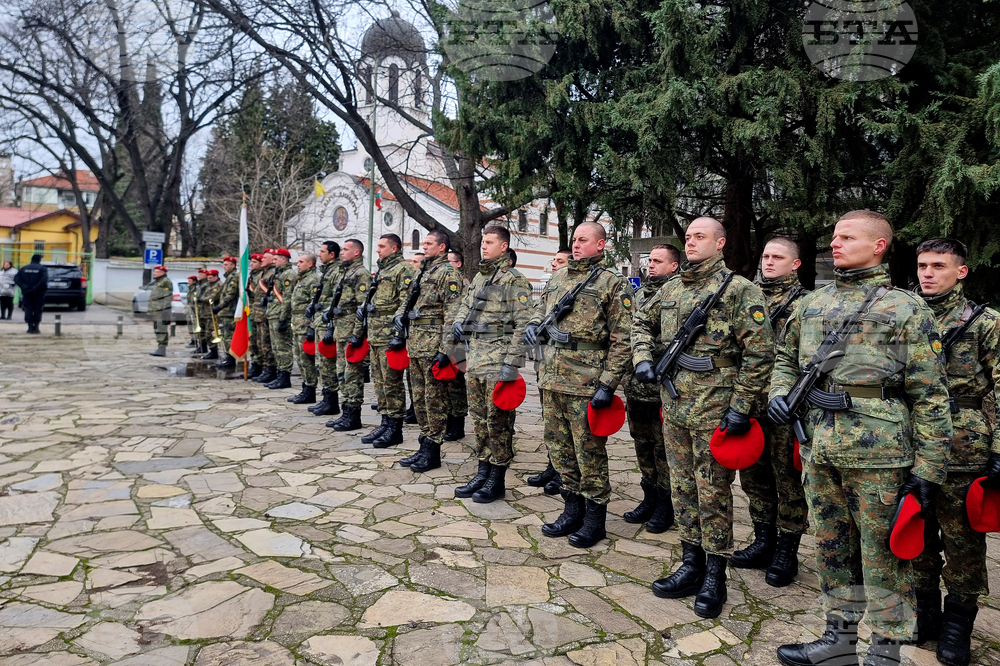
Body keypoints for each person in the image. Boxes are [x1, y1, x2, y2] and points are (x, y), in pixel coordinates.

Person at [768, 211, 952, 666]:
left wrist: (929, 470)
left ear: (878, 246)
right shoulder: (810, 304)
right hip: (819, 446)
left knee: (882, 557)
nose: (835, 244)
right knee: (831, 547)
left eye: (846, 237)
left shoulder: (905, 309)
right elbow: (785, 358)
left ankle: (886, 651)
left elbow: (930, 394)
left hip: (880, 454)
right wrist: (777, 392)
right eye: (833, 237)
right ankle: (840, 638)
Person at [631, 217, 774, 619]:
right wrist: (643, 356)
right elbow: (640, 321)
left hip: (717, 407)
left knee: (712, 492)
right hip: (675, 406)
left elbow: (760, 354)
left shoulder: (741, 290)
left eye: (700, 237)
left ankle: (715, 574)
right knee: (681, 488)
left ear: (721, 243)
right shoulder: (673, 287)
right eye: (688, 237)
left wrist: (741, 407)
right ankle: (690, 562)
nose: (691, 242)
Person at [911, 238, 999, 666]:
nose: (927, 273)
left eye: (938, 266)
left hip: (964, 449)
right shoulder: (903, 315)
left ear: (961, 271)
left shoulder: (985, 323)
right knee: (916, 535)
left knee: (962, 543)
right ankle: (924, 612)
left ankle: (958, 624)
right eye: (922, 265)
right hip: (909, 445)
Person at [525, 222, 633, 548]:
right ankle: (571, 510)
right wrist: (532, 327)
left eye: (583, 240)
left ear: (601, 245)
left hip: (586, 381)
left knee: (589, 454)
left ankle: (594, 520)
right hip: (552, 377)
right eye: (574, 240)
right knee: (559, 450)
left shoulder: (613, 284)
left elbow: (624, 338)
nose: (576, 245)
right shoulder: (558, 278)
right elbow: (537, 310)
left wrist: (609, 383)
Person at [732, 237, 810, 587]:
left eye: (777, 257)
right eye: (764, 255)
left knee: (787, 482)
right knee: (753, 478)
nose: (768, 262)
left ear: (795, 264)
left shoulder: (806, 303)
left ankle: (785, 552)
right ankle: (763, 541)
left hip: (785, 409)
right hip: (748, 403)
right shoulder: (744, 296)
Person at [451, 226, 532, 503]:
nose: (483, 246)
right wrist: (458, 322)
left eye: (489, 242)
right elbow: (465, 304)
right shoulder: (479, 277)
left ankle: (497, 478)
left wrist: (513, 363)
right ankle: (482, 469)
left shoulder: (514, 280)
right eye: (482, 241)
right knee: (478, 419)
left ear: (504, 246)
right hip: (474, 358)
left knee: (497, 421)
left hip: (498, 360)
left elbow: (523, 324)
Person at [394, 230, 464, 472]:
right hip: (415, 343)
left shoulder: (448, 273)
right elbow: (408, 299)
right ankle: (424, 444)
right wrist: (399, 315)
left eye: (429, 243)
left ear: (442, 247)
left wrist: (445, 350)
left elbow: (452, 314)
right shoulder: (424, 270)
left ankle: (433, 450)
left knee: (434, 401)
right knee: (420, 399)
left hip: (433, 345)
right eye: (424, 243)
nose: (424, 247)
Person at [622, 244, 679, 532]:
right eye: (649, 261)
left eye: (658, 261)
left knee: (662, 450)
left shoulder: (675, 295)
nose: (651, 265)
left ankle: (664, 504)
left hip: (662, 390)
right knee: (642, 445)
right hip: (635, 387)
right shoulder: (637, 295)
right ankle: (648, 496)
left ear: (674, 266)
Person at [360, 234, 416, 448]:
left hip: (389, 337)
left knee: (392, 384)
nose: (378, 250)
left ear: (394, 248)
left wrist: (399, 336)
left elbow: (405, 304)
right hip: (375, 335)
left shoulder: (404, 270)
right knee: (380, 383)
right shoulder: (383, 270)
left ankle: (395, 428)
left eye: (382, 246)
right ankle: (385, 423)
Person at [525, 247, 574, 492]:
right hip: (546, 364)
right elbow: (539, 311)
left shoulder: (574, 289)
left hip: (569, 370)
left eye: (560, 261)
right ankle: (552, 465)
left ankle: (562, 472)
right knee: (550, 421)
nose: (554, 264)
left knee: (566, 426)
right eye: (554, 260)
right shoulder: (552, 287)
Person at [325, 239, 371, 430]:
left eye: (346, 249)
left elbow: (362, 307)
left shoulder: (361, 274)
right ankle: (346, 412)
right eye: (342, 249)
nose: (341, 252)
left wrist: (358, 333)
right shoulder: (345, 272)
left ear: (357, 252)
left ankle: (353, 415)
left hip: (351, 329)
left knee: (352, 374)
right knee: (342, 373)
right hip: (341, 329)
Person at [309, 241, 342, 416]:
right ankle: (326, 399)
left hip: (328, 322)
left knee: (328, 364)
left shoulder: (336, 271)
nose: (319, 254)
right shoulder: (326, 270)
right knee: (321, 363)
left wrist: (326, 314)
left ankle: (332, 402)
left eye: (322, 251)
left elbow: (337, 298)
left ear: (331, 254)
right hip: (320, 321)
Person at [444, 248, 471, 441]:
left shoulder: (463, 283)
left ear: (458, 264)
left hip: (459, 341)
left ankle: (458, 422)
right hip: (445, 336)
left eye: (450, 262)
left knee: (456, 382)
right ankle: (449, 419)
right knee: (445, 382)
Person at [288, 253, 320, 404]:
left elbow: (315, 305)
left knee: (307, 360)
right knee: (300, 359)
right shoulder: (302, 279)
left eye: (301, 262)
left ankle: (310, 390)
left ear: (311, 264)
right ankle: (305, 388)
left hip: (305, 324)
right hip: (297, 323)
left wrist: (312, 327)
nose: (298, 264)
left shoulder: (313, 280)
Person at [264, 248, 297, 389]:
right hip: (273, 314)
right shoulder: (279, 274)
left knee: (283, 348)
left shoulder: (288, 274)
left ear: (284, 259)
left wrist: (283, 318)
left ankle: (285, 377)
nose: (273, 261)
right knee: (276, 347)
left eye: (276, 259)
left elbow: (287, 298)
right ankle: (280, 374)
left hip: (280, 316)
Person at [253, 250, 278, 384]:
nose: (261, 259)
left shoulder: (272, 273)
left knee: (267, 343)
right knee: (260, 343)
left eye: (264, 258)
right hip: (258, 313)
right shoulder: (263, 273)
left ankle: (270, 369)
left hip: (267, 313)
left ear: (272, 259)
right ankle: (265, 368)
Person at [214, 257, 241, 369]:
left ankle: (231, 359)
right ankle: (228, 357)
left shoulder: (233, 277)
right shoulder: (229, 277)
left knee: (229, 336)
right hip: (226, 312)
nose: (224, 267)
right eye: (224, 264)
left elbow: (230, 294)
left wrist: (219, 307)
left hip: (230, 312)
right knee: (225, 336)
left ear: (232, 265)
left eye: (226, 264)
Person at [14, 254, 47, 334]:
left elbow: (16, 279)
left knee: (28, 309)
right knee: (37, 309)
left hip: (27, 292)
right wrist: (35, 288)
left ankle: (29, 327)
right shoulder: (42, 269)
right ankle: (36, 327)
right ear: (39, 260)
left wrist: (24, 286)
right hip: (38, 293)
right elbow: (44, 280)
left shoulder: (24, 268)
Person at [245, 255, 264, 378]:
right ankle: (255, 364)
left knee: (259, 342)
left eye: (254, 262)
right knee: (252, 341)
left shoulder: (261, 276)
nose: (251, 264)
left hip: (259, 312)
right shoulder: (252, 276)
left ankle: (259, 365)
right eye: (251, 262)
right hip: (251, 311)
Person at [148, 265, 173, 356]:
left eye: (157, 271)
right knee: (157, 328)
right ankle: (160, 347)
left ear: (162, 273)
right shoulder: (158, 282)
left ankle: (162, 349)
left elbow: (167, 297)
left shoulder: (165, 282)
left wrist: (165, 311)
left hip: (161, 310)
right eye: (154, 271)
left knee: (161, 329)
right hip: (156, 310)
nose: (154, 273)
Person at [199, 269, 224, 360]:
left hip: (213, 313)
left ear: (216, 277)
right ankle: (211, 350)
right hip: (206, 312)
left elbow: (214, 297)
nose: (209, 279)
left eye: (210, 277)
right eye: (208, 278)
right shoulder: (209, 285)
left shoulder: (219, 285)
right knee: (206, 332)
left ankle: (214, 351)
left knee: (211, 333)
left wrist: (203, 299)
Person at [185, 275, 199, 349]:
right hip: (189, 309)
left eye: (190, 281)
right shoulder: (190, 289)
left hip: (194, 310)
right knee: (190, 325)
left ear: (194, 281)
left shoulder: (196, 289)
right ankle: (192, 340)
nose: (188, 282)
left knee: (194, 325)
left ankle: (196, 340)